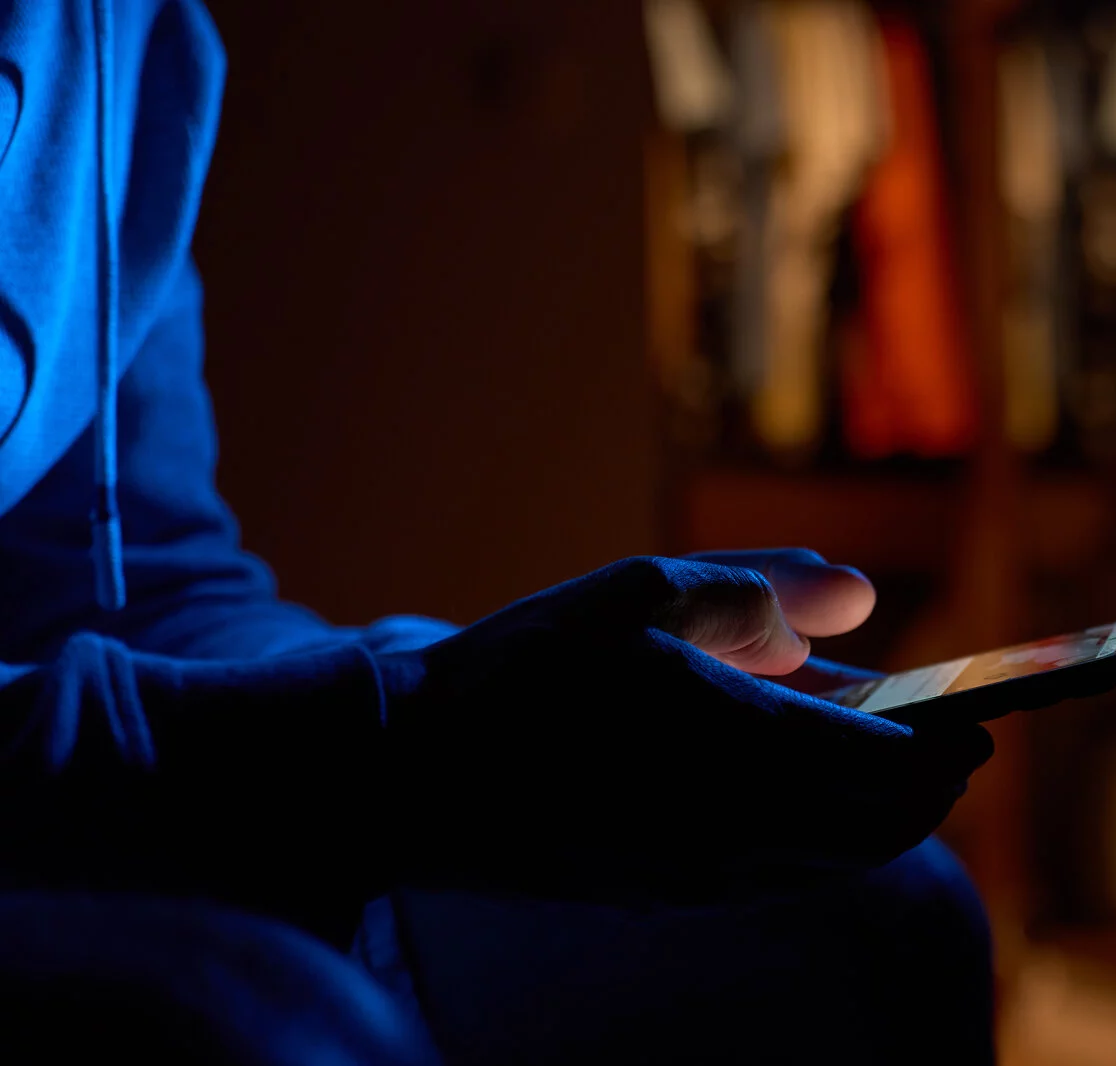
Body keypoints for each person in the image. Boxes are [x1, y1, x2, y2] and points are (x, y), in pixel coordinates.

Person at [0, 2, 996, 1063]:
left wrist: (485, 679)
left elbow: (138, 578)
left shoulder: (134, 35)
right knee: (278, 1036)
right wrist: (408, 740)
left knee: (880, 916)